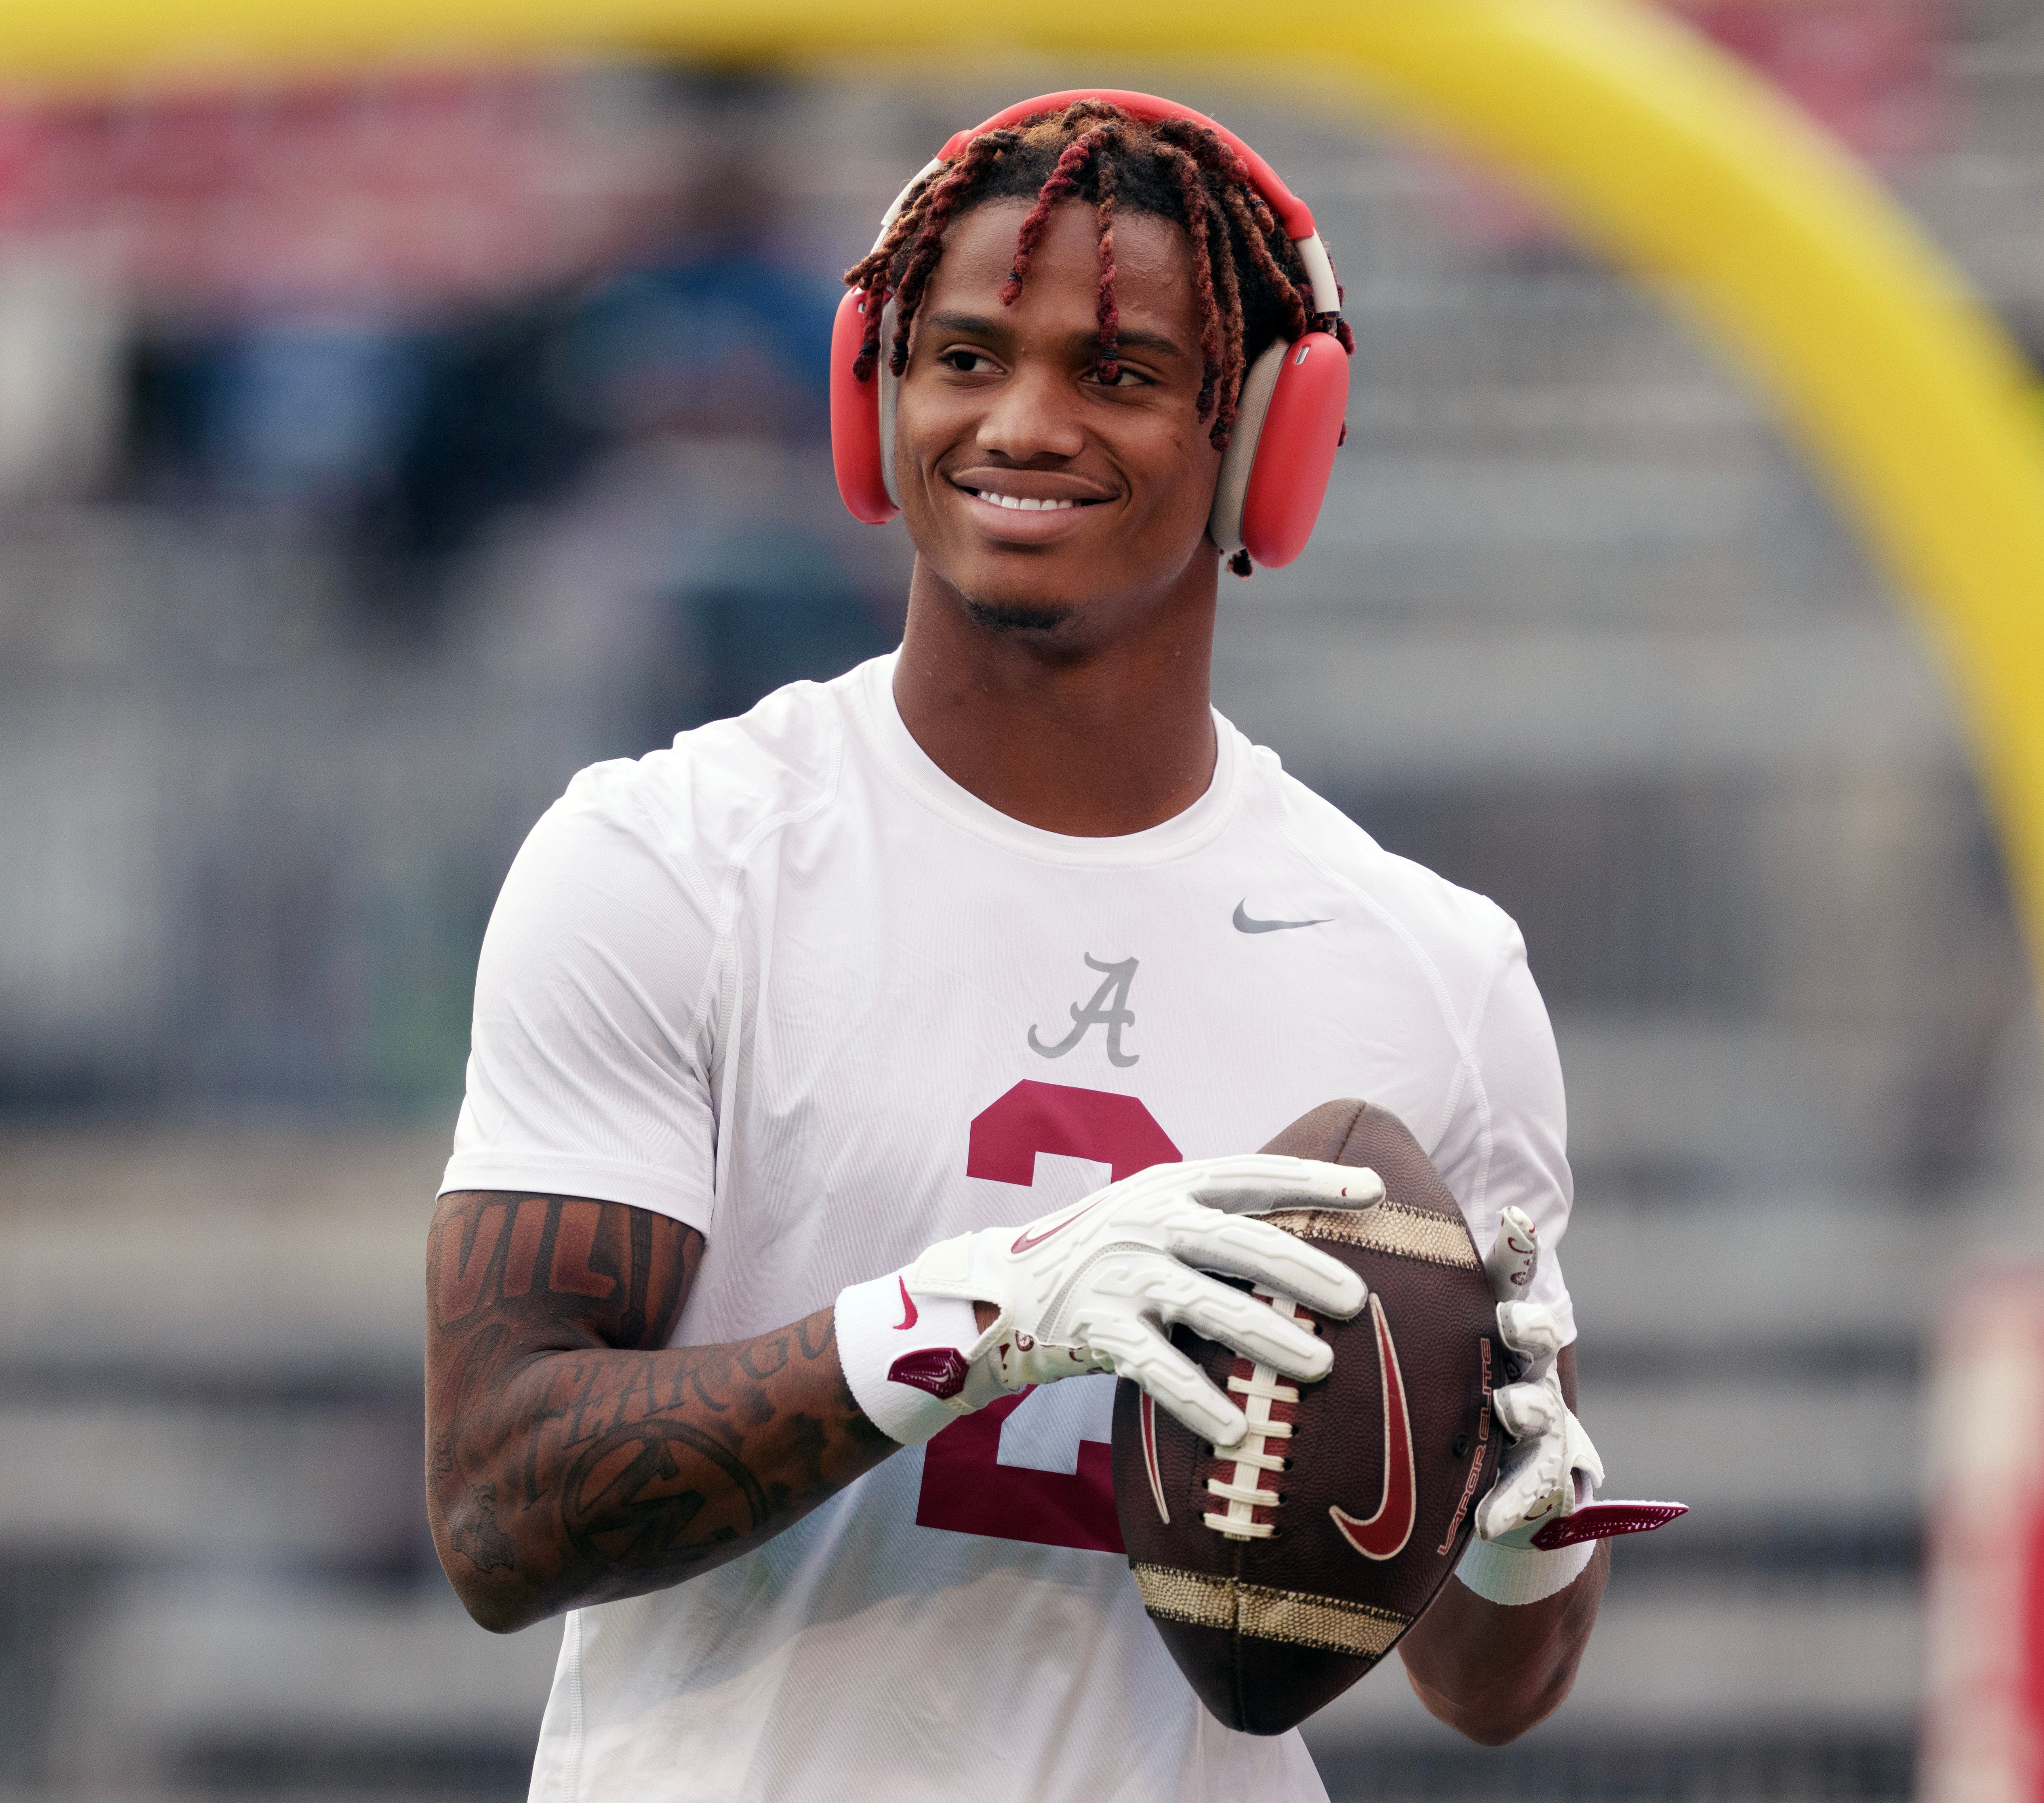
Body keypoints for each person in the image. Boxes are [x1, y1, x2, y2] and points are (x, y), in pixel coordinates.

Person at [425, 95, 1614, 1802]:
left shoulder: (1433, 969)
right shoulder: (669, 860)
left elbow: (1495, 1685)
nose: (1023, 422)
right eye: (965, 355)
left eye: (1117, 373)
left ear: (1267, 438)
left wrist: (1519, 1539)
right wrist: (976, 1317)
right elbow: (495, 1507)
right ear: (874, 394)